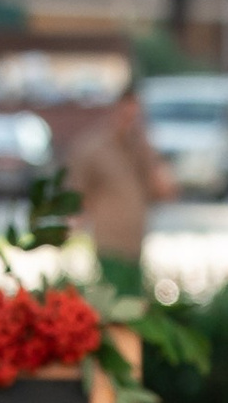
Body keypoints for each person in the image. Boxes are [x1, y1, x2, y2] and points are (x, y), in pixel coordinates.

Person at [67, 65, 174, 282]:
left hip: (136, 244)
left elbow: (165, 192)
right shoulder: (94, 148)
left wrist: (148, 152)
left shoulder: (142, 151)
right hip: (109, 244)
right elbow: (78, 194)